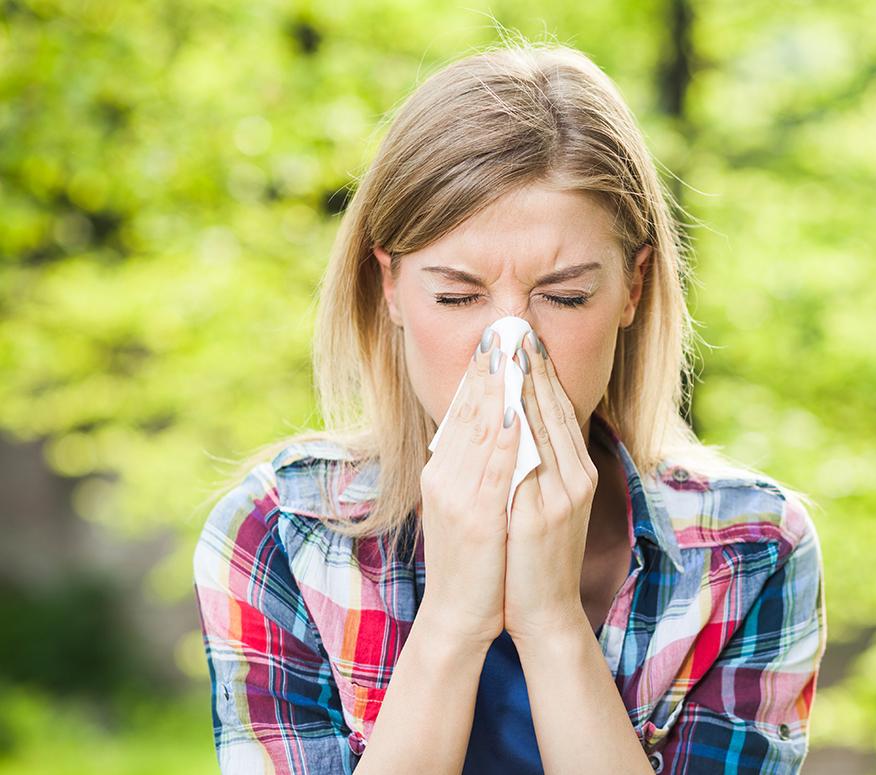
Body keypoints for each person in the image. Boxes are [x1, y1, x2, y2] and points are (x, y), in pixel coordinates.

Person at [192, 38, 827, 775]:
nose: (512, 346)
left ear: (634, 288)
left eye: (564, 296)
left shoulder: (752, 549)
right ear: (391, 287)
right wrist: (455, 622)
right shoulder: (280, 535)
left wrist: (553, 623)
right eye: (458, 295)